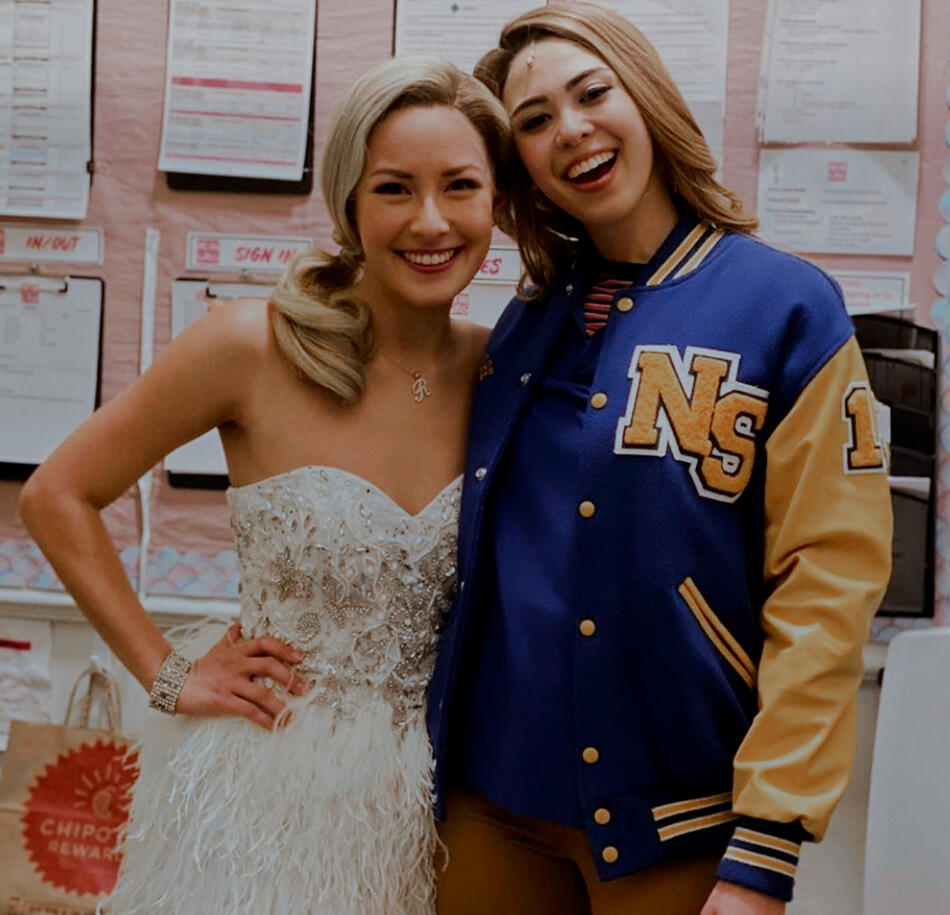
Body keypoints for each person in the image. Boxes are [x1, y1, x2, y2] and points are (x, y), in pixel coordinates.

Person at [426, 4, 893, 914]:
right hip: (486, 804)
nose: (571, 130)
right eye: (534, 121)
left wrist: (768, 841)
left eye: (592, 93)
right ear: (522, 164)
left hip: (676, 816)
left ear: (645, 96)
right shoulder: (527, 321)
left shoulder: (787, 306)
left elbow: (828, 583)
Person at [19, 56, 510, 915]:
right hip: (261, 792)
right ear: (349, 205)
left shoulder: (500, 368)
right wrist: (166, 671)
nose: (430, 221)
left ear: (496, 201)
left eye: (460, 186)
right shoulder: (248, 345)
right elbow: (56, 495)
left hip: (430, 805)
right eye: (394, 189)